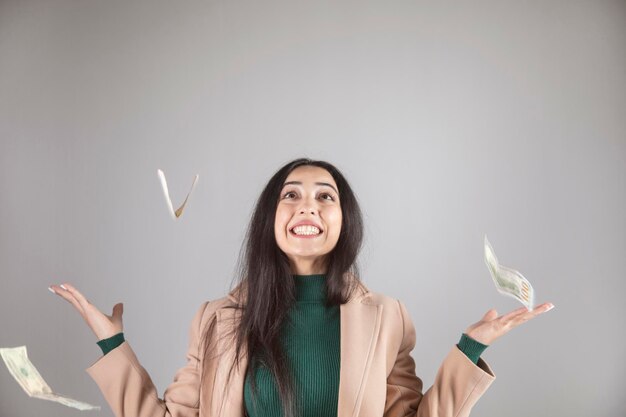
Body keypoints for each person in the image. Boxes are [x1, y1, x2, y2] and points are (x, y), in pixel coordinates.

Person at [49, 157, 554, 417]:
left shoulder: (387, 317)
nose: (307, 206)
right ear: (271, 219)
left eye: (324, 196)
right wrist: (112, 344)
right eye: (291, 195)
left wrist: (470, 350)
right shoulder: (216, 318)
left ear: (343, 220)